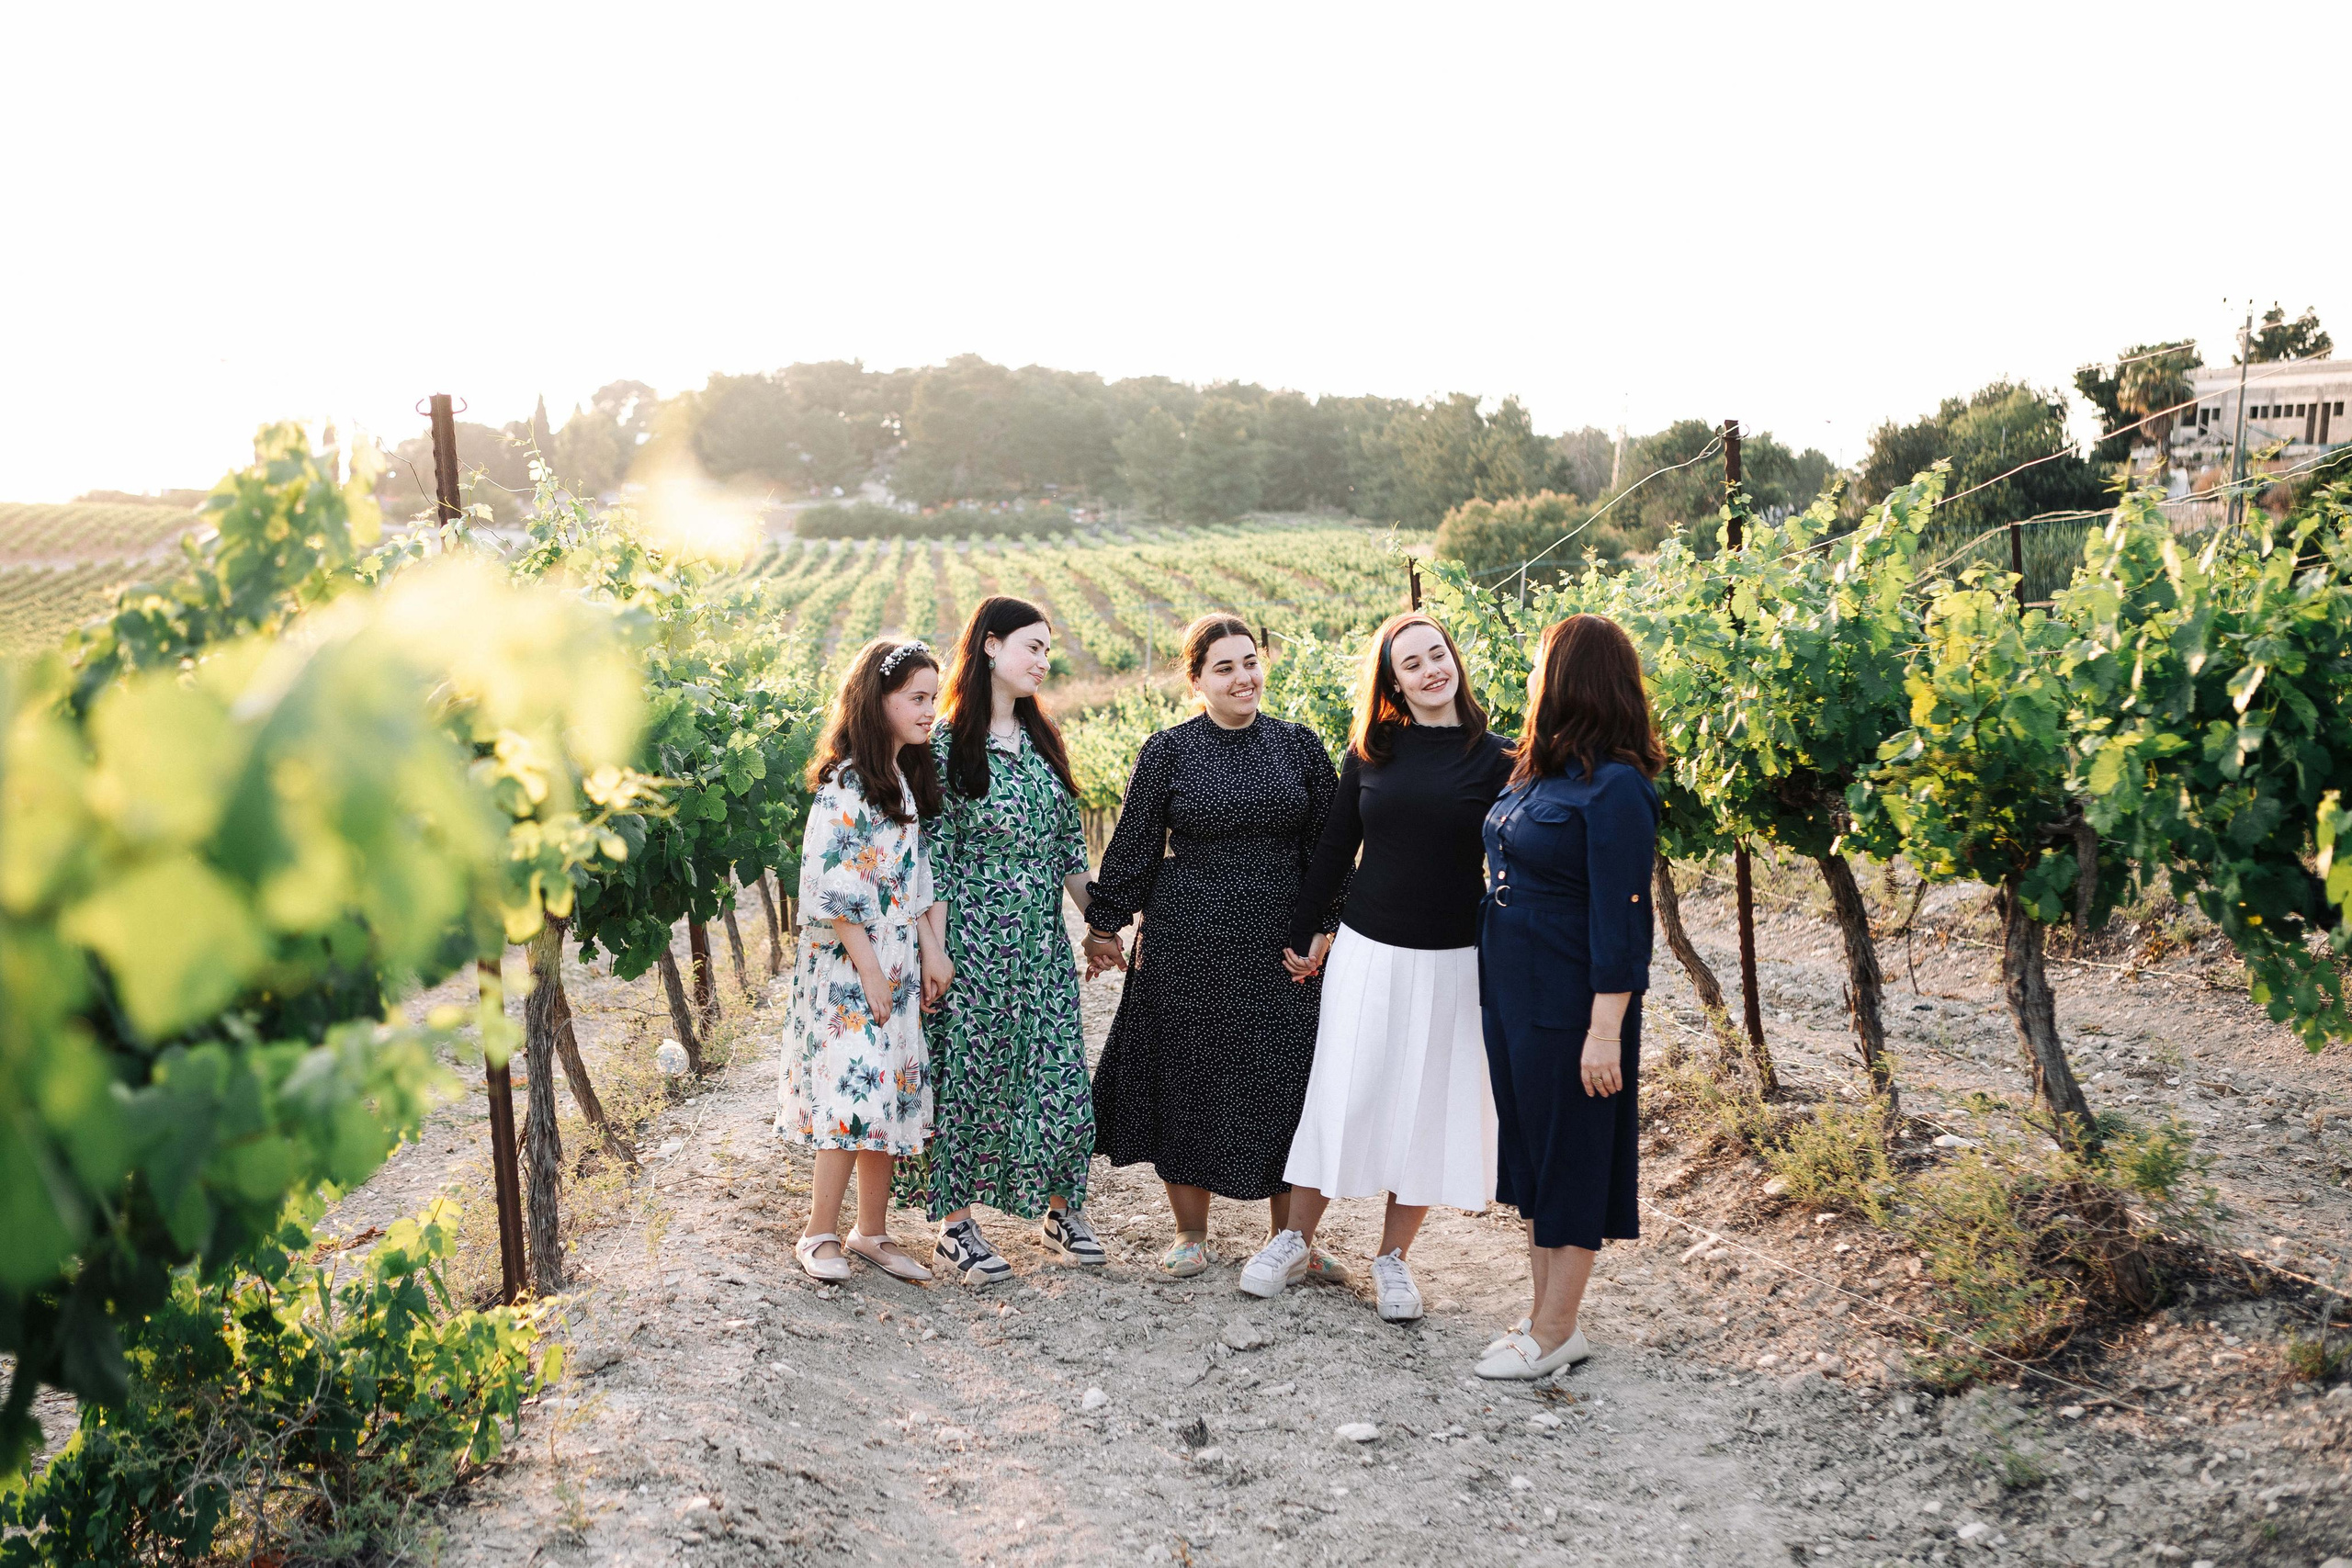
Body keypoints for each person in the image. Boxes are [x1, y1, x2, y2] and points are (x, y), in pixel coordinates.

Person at [1238, 613, 1512, 1321]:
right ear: (1393, 680)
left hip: (1455, 957)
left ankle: (1392, 1260)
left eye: (1438, 654)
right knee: (1343, 1090)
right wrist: (1304, 928)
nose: (1430, 670)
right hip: (1368, 949)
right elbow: (1335, 847)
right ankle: (1294, 1238)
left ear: (1455, 658)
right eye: (1412, 663)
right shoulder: (1373, 750)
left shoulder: (1501, 760)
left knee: (1425, 1104)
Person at [1084, 615, 1344, 1280]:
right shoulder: (1169, 750)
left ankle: (1294, 1241)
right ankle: (1191, 1233)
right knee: (1189, 1079)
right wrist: (1107, 924)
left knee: (1287, 1083)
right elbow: (1137, 842)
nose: (1242, 678)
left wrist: (1325, 928)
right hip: (1187, 940)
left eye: (1250, 662)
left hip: (1283, 947)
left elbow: (1331, 850)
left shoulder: (1300, 747)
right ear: (1196, 679)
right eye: (1223, 667)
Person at [1474, 615, 1662, 1379]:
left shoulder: (1618, 789)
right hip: (1512, 993)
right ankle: (1540, 1313)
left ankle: (1558, 1330)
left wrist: (1605, 1029)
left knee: (1573, 1154)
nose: (1530, 678)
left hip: (1571, 1001)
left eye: (1541, 665)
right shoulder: (1540, 774)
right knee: (1531, 1154)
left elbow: (1624, 917)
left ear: (1572, 677)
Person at [901, 596, 1108, 1286]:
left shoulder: (1044, 742)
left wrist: (1102, 925)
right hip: (969, 942)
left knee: (1058, 1078)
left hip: (1040, 943)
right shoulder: (942, 745)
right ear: (990, 646)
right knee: (968, 1080)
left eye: (1049, 650)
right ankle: (954, 1227)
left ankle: (1059, 1210)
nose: (1043, 661)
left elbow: (1067, 851)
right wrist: (934, 950)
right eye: (1033, 646)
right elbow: (923, 854)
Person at [777, 637, 953, 1284]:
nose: (930, 709)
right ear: (875, 702)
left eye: (933, 697)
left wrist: (932, 952)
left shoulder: (902, 780)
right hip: (853, 967)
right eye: (916, 698)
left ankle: (871, 1231)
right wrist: (873, 972)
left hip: (897, 961)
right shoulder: (847, 781)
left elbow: (917, 880)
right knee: (853, 1092)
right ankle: (818, 1230)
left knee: (889, 1092)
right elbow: (832, 886)